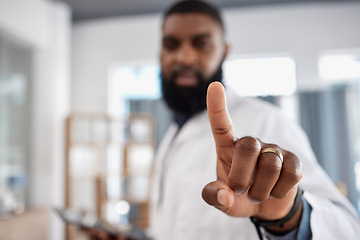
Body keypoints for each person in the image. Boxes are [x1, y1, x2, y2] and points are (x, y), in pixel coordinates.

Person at [148, 0, 360, 239]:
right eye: (171, 45)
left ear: (224, 51)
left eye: (201, 44)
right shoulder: (172, 135)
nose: (184, 57)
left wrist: (288, 216)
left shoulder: (267, 121)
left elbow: (347, 229)